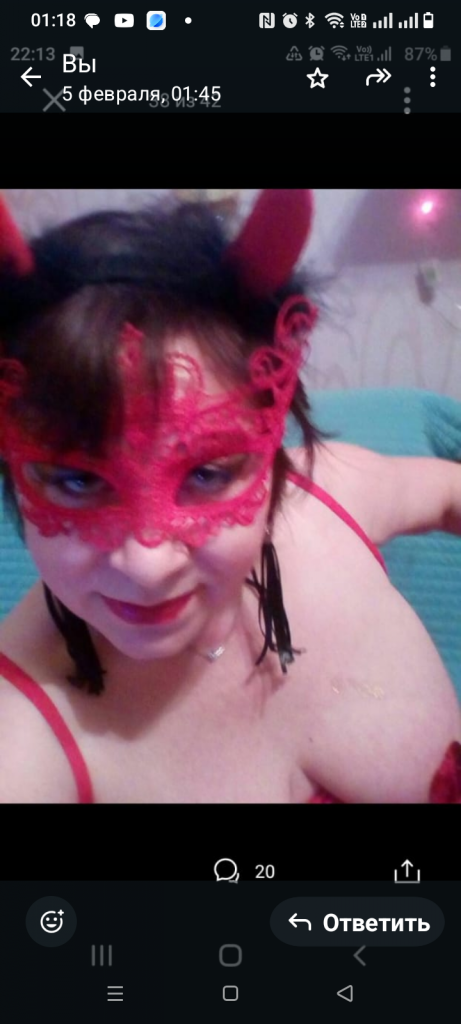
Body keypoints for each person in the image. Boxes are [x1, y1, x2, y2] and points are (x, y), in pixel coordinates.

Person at [0, 188, 460, 805]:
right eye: (78, 481)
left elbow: (448, 490)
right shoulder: (20, 743)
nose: (148, 565)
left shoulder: (329, 494)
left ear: (269, 459)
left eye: (208, 472)